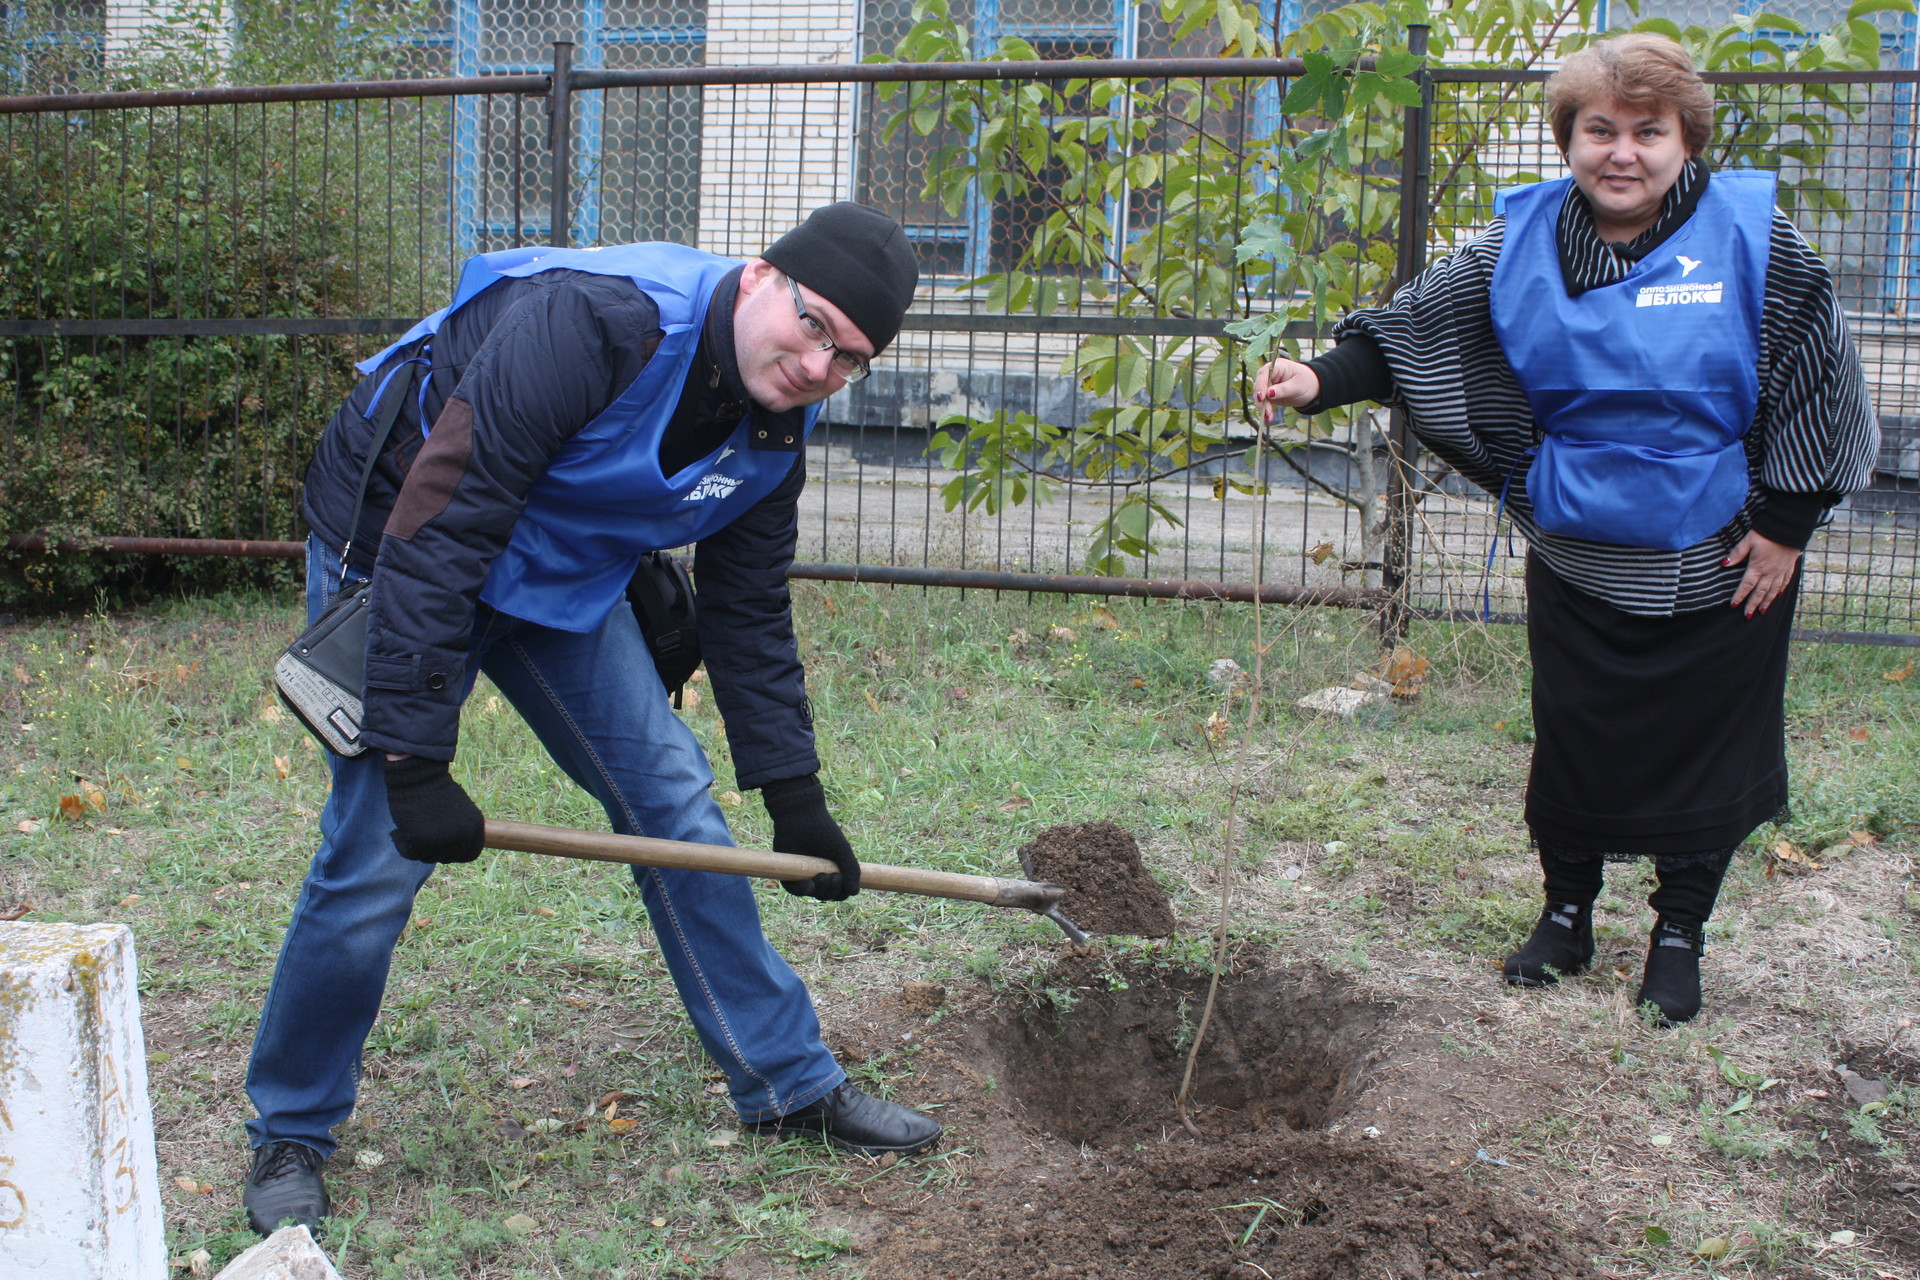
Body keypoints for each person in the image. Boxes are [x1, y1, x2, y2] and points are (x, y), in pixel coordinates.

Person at [241, 203, 942, 1237]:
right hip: (406, 528)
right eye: (814, 325)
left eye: (850, 358)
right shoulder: (596, 322)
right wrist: (414, 757)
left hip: (556, 561)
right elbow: (449, 521)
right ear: (759, 279)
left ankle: (789, 1082)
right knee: (376, 850)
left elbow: (747, 608)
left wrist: (794, 793)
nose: (819, 364)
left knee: (672, 804)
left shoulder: (778, 418)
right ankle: (292, 1126)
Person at [1255, 34, 1877, 1026]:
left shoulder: (1758, 240)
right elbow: (1414, 326)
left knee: (1706, 753)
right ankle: (1567, 915)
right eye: (1599, 130)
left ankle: (1679, 935)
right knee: (1577, 746)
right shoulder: (1516, 244)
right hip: (1580, 548)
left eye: (1647, 131)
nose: (1620, 152)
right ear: (1568, 138)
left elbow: (1821, 377)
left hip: (1726, 558)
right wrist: (1319, 378)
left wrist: (1788, 525)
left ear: (1686, 140)